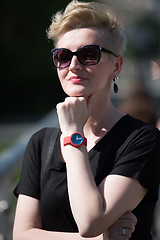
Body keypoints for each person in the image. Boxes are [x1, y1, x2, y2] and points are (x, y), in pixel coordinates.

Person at [13, 1, 160, 240]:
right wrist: (102, 238)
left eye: (89, 54)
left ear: (117, 65)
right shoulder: (42, 143)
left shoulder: (143, 139)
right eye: (62, 56)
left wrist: (72, 134)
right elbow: (21, 234)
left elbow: (91, 222)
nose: (73, 65)